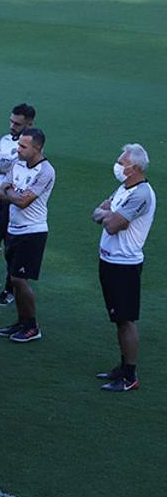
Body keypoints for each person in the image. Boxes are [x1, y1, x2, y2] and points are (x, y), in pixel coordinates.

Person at [92, 144, 155, 392]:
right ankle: (123, 366)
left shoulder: (141, 194)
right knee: (118, 318)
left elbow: (111, 225)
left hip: (124, 265)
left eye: (122, 163)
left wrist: (107, 214)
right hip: (109, 261)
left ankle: (130, 375)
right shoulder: (124, 188)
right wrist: (105, 214)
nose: (117, 166)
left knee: (126, 320)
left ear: (135, 168)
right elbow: (98, 212)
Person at [0, 128, 55, 343]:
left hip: (33, 232)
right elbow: (1, 191)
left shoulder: (46, 171)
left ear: (36, 148)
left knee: (19, 279)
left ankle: (32, 326)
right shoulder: (17, 163)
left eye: (23, 146)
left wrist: (13, 194)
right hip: (14, 229)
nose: (18, 149)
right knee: (14, 278)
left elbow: (22, 201)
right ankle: (21, 322)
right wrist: (14, 194)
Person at [0, 104, 37, 306]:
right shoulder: (4, 140)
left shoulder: (32, 147)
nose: (12, 126)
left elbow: (12, 166)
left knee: (10, 248)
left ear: (29, 123)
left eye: (17, 123)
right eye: (11, 121)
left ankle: (10, 289)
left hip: (13, 204)